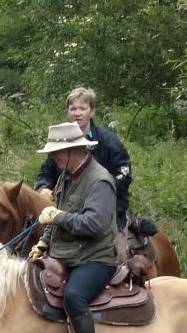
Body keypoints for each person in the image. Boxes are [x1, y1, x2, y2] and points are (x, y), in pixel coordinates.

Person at [29, 121, 116, 333]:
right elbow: (59, 219)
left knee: (74, 296)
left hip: (96, 257)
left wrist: (59, 216)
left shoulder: (100, 180)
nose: (52, 158)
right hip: (67, 253)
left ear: (72, 151)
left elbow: (95, 225)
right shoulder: (67, 176)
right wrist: (43, 243)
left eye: (56, 153)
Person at [37, 87, 132, 229]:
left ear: (92, 111)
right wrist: (43, 188)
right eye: (73, 109)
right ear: (67, 112)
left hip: (107, 210)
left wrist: (97, 190)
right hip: (65, 211)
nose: (77, 113)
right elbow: (45, 173)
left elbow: (124, 174)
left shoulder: (109, 141)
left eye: (82, 108)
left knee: (115, 247)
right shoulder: (60, 142)